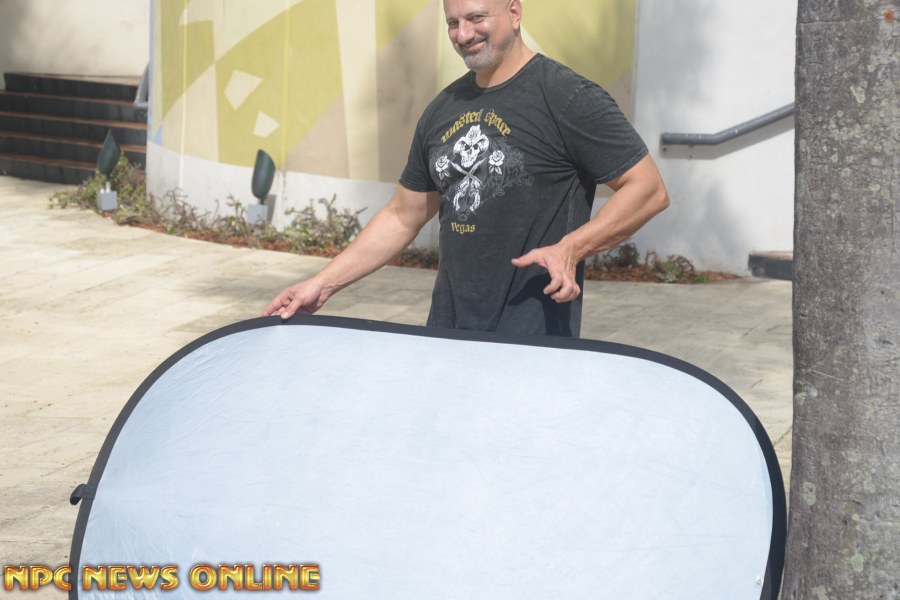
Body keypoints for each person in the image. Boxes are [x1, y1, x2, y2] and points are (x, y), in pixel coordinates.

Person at [263, 0, 668, 337]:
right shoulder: (442, 109)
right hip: (448, 334)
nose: (463, 34)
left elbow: (647, 189)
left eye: (476, 18)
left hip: (533, 342)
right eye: (452, 23)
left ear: (514, 12)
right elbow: (402, 216)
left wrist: (571, 249)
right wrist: (321, 284)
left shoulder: (566, 96)